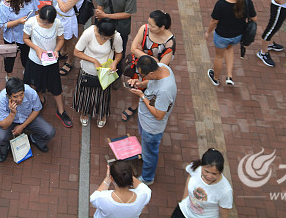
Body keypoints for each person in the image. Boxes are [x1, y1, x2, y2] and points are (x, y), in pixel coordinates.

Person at [122, 54, 176, 185]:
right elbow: (151, 82)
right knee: (146, 147)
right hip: (145, 120)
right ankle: (144, 154)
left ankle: (147, 177)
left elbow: (159, 115)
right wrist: (140, 83)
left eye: (143, 75)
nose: (142, 77)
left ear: (151, 72)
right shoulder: (161, 67)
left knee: (150, 153)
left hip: (152, 127)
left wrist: (142, 96)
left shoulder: (165, 90)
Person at [23, 4, 71, 128]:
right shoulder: (31, 22)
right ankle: (39, 101)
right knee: (34, 84)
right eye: (43, 22)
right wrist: (37, 49)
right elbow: (25, 39)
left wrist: (56, 50)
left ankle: (61, 111)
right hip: (34, 60)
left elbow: (61, 39)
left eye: (48, 23)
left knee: (55, 84)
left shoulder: (58, 23)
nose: (45, 25)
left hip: (51, 61)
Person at [0, 77, 57, 162]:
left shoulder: (30, 92)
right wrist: (12, 113)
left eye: (21, 94)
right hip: (11, 121)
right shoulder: (2, 99)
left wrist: (22, 126)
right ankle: (4, 150)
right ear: (9, 96)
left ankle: (34, 139)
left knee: (50, 132)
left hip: (29, 117)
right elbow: (3, 125)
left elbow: (37, 109)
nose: (19, 99)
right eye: (15, 96)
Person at [73, 19, 123, 127]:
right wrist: (94, 60)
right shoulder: (89, 33)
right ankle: (84, 113)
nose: (105, 39)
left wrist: (114, 62)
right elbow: (77, 52)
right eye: (103, 37)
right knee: (85, 94)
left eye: (107, 38)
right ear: (98, 30)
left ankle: (101, 114)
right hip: (87, 70)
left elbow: (119, 53)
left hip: (105, 73)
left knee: (102, 96)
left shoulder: (116, 37)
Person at [206, 0, 256, 87]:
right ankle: (229, 76)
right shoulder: (247, 3)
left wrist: (207, 32)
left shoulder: (221, 4)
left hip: (221, 37)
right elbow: (254, 18)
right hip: (237, 36)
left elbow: (214, 22)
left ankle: (216, 78)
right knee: (229, 49)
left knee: (219, 56)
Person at [95, 0, 138, 70]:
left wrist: (106, 15)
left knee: (119, 51)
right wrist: (99, 21)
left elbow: (127, 13)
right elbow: (100, 6)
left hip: (121, 25)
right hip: (105, 23)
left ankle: (117, 74)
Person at [173, 149, 234, 218]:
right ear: (202, 166)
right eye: (206, 171)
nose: (209, 176)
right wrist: (184, 200)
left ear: (221, 172)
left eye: (214, 174)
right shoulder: (195, 168)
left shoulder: (225, 191)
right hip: (184, 212)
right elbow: (189, 178)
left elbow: (224, 215)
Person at [51, 0, 83, 83]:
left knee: (69, 41)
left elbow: (64, 8)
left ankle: (70, 61)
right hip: (59, 16)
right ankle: (63, 52)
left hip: (68, 19)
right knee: (60, 38)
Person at [0, 0, 38, 76]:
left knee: (26, 55)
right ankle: (9, 75)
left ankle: (26, 71)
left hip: (27, 35)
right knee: (10, 58)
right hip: (12, 38)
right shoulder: (4, 6)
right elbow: (3, 25)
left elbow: (36, 9)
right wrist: (18, 21)